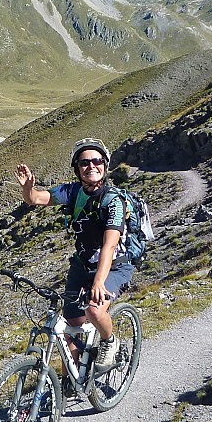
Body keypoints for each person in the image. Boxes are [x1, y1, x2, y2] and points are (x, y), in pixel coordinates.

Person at [14, 137, 132, 373]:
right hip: (82, 265)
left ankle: (110, 342)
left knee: (94, 309)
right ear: (77, 168)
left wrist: (99, 282)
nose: (91, 166)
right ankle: (75, 379)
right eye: (84, 163)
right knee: (69, 326)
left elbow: (109, 246)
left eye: (97, 161)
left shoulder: (113, 202)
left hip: (114, 266)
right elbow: (36, 199)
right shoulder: (72, 192)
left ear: (105, 165)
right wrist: (28, 188)